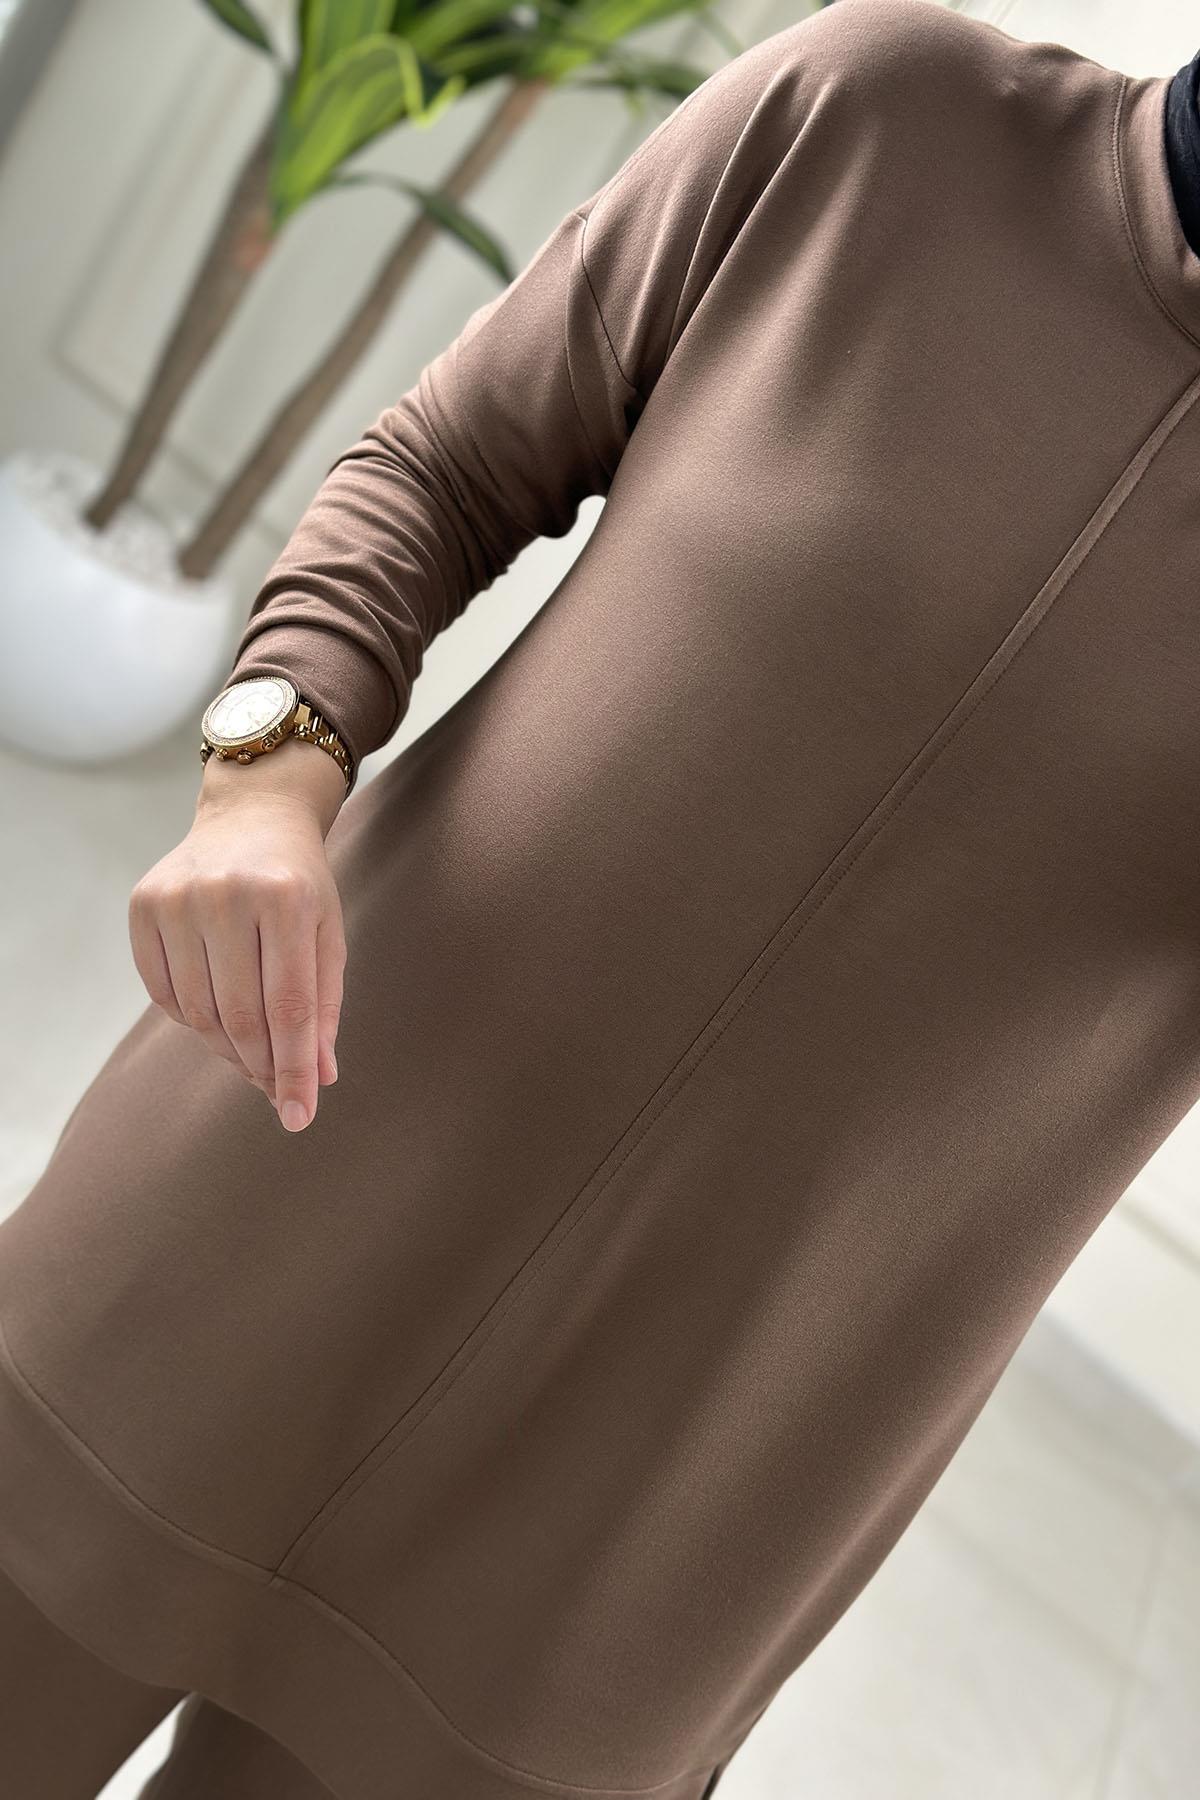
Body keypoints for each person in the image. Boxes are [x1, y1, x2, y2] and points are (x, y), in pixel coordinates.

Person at [4, 2, 1200, 1794]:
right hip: (274, 1179)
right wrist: (266, 773)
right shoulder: (883, 121)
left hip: (656, 1510)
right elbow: (442, 464)